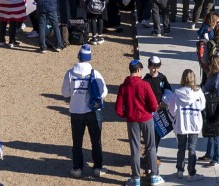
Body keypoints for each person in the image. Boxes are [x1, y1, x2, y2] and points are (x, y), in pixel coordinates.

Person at [62, 44, 108, 177]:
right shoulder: (95, 73)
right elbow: (103, 93)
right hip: (93, 111)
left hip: (76, 111)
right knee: (96, 141)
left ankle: (77, 168)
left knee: (77, 142)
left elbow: (65, 93)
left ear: (78, 56)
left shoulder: (70, 73)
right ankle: (97, 167)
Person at [117, 58, 162, 186]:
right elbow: (154, 106)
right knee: (151, 147)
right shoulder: (145, 85)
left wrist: (126, 114)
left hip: (132, 120)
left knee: (135, 149)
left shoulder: (123, 87)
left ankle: (136, 178)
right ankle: (154, 175)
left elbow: (118, 109)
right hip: (146, 118)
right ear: (138, 70)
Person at [166, 68, 205, 181]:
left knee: (181, 148)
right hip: (194, 124)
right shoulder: (199, 93)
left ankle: (179, 170)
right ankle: (191, 174)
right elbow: (202, 106)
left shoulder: (177, 94)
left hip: (181, 124)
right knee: (192, 150)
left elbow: (172, 110)